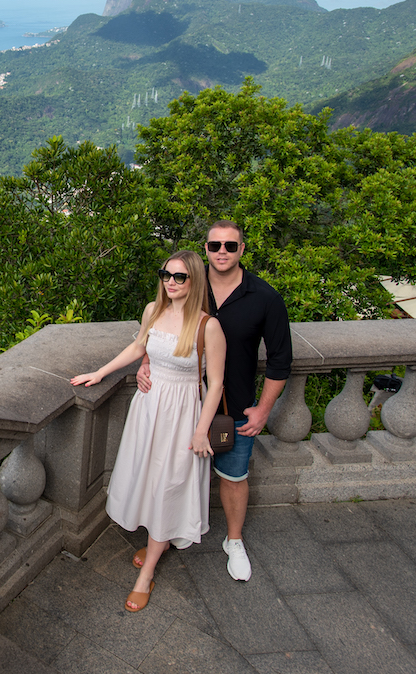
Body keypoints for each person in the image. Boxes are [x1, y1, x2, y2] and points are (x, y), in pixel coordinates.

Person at [138, 221, 292, 582]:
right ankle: (166, 535)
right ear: (205, 249)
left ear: (242, 249)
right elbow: (158, 328)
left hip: (231, 408)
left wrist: (263, 409)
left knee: (233, 476)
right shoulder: (188, 283)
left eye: (230, 245)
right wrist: (146, 362)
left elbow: (281, 360)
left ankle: (233, 541)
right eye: (214, 245)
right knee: (172, 474)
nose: (222, 251)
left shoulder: (265, 298)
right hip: (181, 405)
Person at [72, 250, 226, 612]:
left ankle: (147, 573)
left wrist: (201, 430)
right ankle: (160, 539)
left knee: (169, 485)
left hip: (183, 413)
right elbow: (140, 346)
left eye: (179, 277)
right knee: (147, 478)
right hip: (149, 408)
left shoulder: (208, 327)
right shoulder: (153, 310)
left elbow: (216, 383)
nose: (170, 282)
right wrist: (100, 372)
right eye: (166, 274)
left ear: (194, 281)